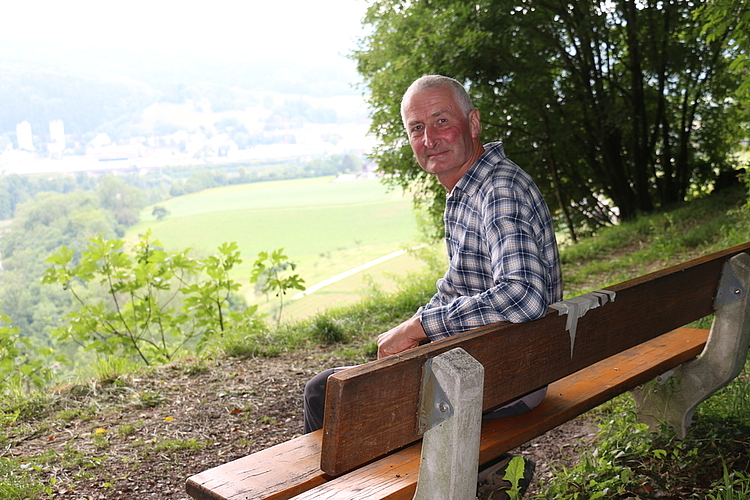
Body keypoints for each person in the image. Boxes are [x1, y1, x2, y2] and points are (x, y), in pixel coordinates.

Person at [303, 75, 563, 497]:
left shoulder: (497, 190)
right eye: (416, 128)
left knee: (328, 393)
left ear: (473, 123)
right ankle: (490, 473)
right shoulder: (470, 187)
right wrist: (415, 325)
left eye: (441, 121)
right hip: (506, 359)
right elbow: (460, 286)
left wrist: (422, 325)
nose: (429, 138)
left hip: (510, 376)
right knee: (369, 376)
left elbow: (523, 295)